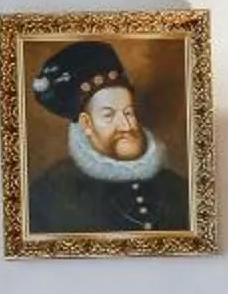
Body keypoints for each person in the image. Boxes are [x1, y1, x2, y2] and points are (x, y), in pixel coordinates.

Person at [26, 40, 191, 236]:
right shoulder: (51, 193)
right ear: (87, 124)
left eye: (128, 113)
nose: (127, 125)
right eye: (109, 115)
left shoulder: (176, 187)